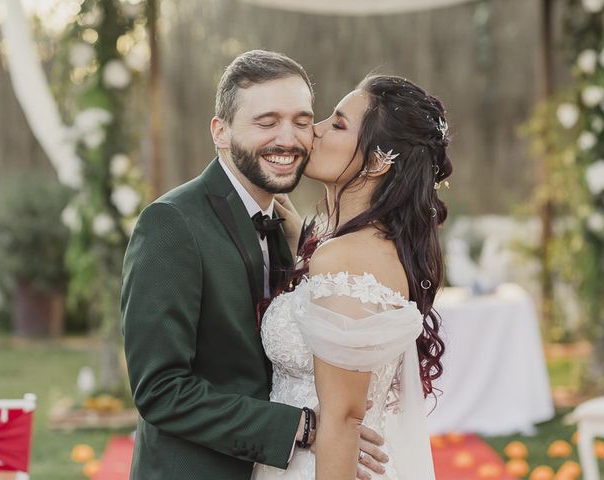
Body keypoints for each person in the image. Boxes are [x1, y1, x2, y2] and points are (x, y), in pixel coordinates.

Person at [121, 50, 387, 480]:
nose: (289, 139)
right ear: (221, 132)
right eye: (267, 122)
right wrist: (298, 427)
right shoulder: (170, 224)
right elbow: (159, 390)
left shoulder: (286, 225)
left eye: (302, 121)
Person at [252, 75, 452, 480]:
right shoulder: (349, 245)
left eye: (338, 124)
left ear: (378, 161)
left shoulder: (348, 259)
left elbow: (343, 420)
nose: (316, 129)